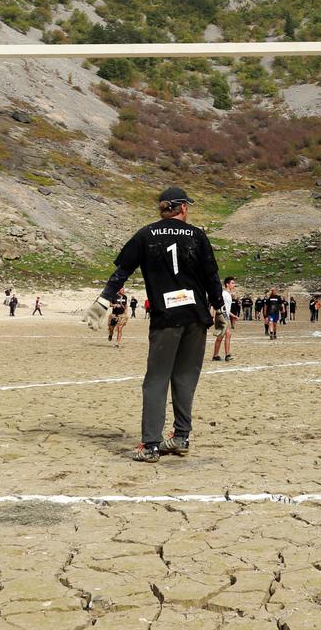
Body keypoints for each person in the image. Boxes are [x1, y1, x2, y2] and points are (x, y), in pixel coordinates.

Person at [85, 186, 223, 463]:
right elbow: (211, 275)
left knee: (156, 380)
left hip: (166, 317)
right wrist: (220, 308)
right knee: (185, 378)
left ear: (163, 208)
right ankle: (181, 436)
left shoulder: (146, 234)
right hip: (196, 315)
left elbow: (122, 270)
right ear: (183, 207)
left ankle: (150, 445)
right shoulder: (197, 235)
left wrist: (104, 300)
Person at [214, 276, 237, 361]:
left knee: (221, 336)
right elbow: (218, 305)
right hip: (222, 316)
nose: (234, 285)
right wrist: (216, 315)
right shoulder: (224, 294)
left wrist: (232, 315)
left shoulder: (229, 295)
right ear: (227, 284)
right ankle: (227, 354)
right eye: (232, 283)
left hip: (225, 316)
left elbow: (226, 308)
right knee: (228, 334)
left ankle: (215, 355)